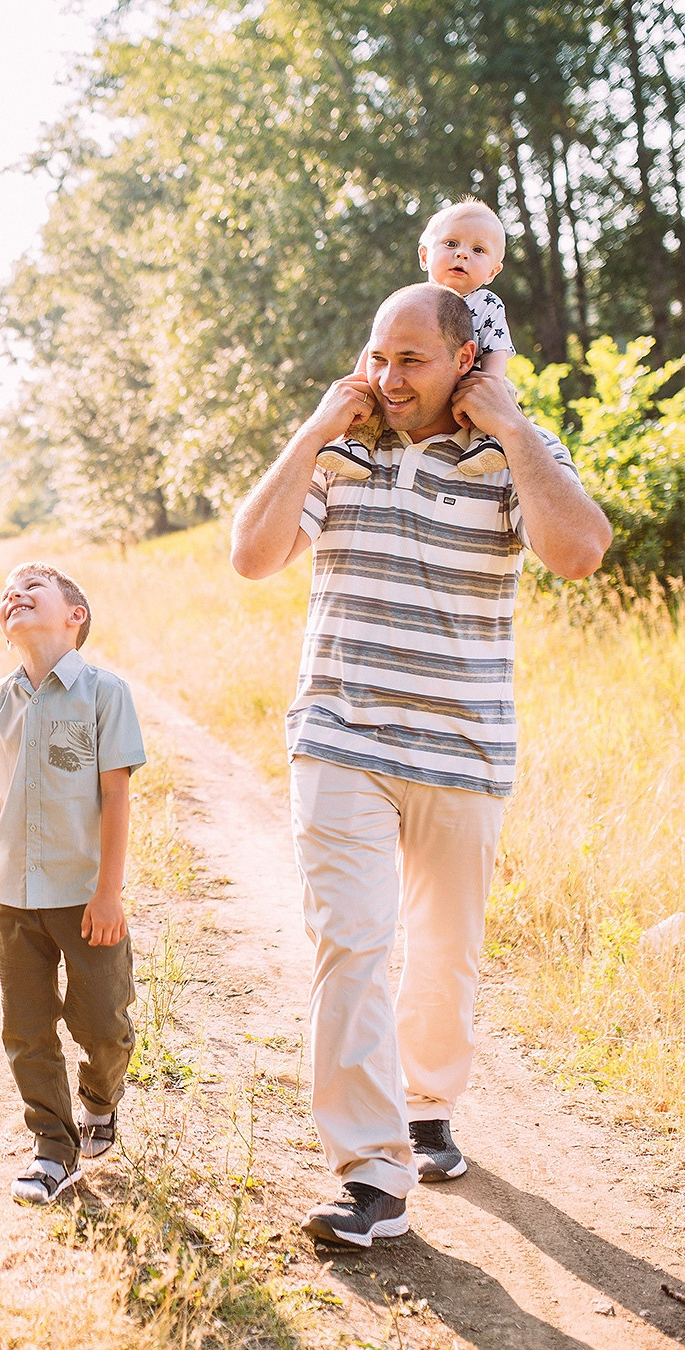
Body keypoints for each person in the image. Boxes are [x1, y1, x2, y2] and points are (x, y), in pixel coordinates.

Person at [231, 284, 610, 1248]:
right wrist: (319, 426)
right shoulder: (341, 449)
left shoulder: (510, 450)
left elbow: (580, 551)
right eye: (378, 356)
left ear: (464, 363)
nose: (388, 379)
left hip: (463, 745)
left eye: (412, 361)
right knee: (349, 946)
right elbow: (252, 555)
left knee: (443, 953)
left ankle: (429, 1101)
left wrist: (515, 430)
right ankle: (370, 1173)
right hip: (340, 740)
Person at [0, 562, 145, 1206]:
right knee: (26, 1025)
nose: (14, 595)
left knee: (103, 1023)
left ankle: (101, 1099)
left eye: (33, 588)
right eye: (7, 592)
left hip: (86, 895)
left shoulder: (105, 693)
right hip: (17, 895)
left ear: (75, 617)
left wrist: (109, 892)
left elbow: (115, 794)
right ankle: (53, 1146)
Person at [319, 198, 514, 480]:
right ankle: (356, 444)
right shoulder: (412, 302)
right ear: (424, 255)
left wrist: (491, 386)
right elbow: (378, 347)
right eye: (451, 244)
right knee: (373, 393)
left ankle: (486, 442)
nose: (462, 255)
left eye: (478, 250)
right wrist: (361, 381)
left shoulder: (487, 304)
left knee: (503, 393)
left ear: (493, 270)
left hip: (471, 382)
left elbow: (497, 350)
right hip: (415, 386)